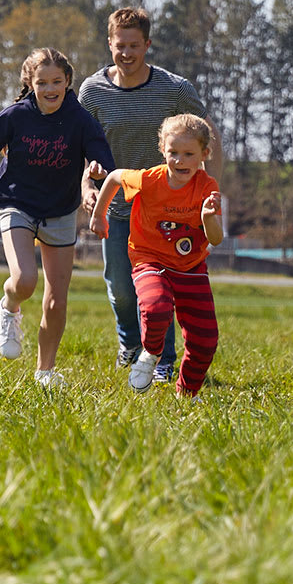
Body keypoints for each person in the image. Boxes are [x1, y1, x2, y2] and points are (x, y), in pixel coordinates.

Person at [78, 6, 221, 384]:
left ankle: (162, 361)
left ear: (147, 45)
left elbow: (206, 136)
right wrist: (87, 187)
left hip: (167, 207)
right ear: (109, 43)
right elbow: (80, 146)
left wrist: (209, 194)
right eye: (119, 45)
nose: (126, 53)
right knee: (122, 289)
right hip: (119, 202)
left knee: (164, 286)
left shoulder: (175, 89)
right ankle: (131, 343)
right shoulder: (92, 92)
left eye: (134, 46)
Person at [0, 47, 114, 386]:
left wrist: (99, 169)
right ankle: (10, 306)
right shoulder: (13, 117)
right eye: (42, 82)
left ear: (68, 81)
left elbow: (104, 160)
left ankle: (45, 371)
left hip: (59, 208)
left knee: (57, 298)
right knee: (25, 280)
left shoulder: (81, 120)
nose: (50, 88)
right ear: (30, 83)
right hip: (17, 202)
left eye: (57, 81)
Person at [88, 113, 222, 397]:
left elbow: (216, 239)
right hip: (149, 259)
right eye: (173, 152)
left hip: (191, 267)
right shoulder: (149, 179)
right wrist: (100, 215)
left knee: (205, 340)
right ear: (162, 149)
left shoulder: (206, 187)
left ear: (204, 154)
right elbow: (113, 177)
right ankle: (150, 354)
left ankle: (186, 394)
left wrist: (208, 216)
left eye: (189, 154)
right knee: (156, 306)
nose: (179, 161)